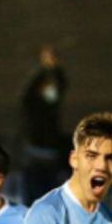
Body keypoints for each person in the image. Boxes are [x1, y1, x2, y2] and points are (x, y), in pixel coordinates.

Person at [21, 46, 68, 204]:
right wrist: (44, 68)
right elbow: (27, 90)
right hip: (34, 151)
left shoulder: (53, 105)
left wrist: (55, 68)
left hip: (51, 152)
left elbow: (63, 84)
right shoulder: (32, 104)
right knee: (32, 191)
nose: (50, 89)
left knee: (49, 192)